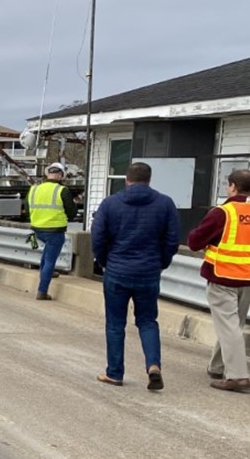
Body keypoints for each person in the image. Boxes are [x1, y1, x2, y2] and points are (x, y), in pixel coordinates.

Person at [91, 162, 179, 390]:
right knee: (148, 321)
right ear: (149, 180)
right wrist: (161, 263)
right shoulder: (165, 204)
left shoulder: (110, 204)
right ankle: (153, 366)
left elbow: (98, 238)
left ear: (126, 179)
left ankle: (115, 373)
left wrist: (103, 262)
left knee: (115, 324)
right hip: (149, 272)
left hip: (117, 271)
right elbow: (172, 240)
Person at [186, 169, 250, 391]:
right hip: (247, 278)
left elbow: (194, 242)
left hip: (223, 276)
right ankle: (218, 365)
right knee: (234, 324)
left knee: (229, 327)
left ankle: (238, 376)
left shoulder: (223, 212)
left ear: (232, 186)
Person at [27, 162, 79, 300]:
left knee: (46, 256)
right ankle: (42, 291)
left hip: (37, 229)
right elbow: (72, 212)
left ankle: (46, 273)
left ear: (46, 174)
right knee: (50, 260)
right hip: (55, 230)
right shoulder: (62, 190)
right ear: (61, 175)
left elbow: (27, 210)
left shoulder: (34, 189)